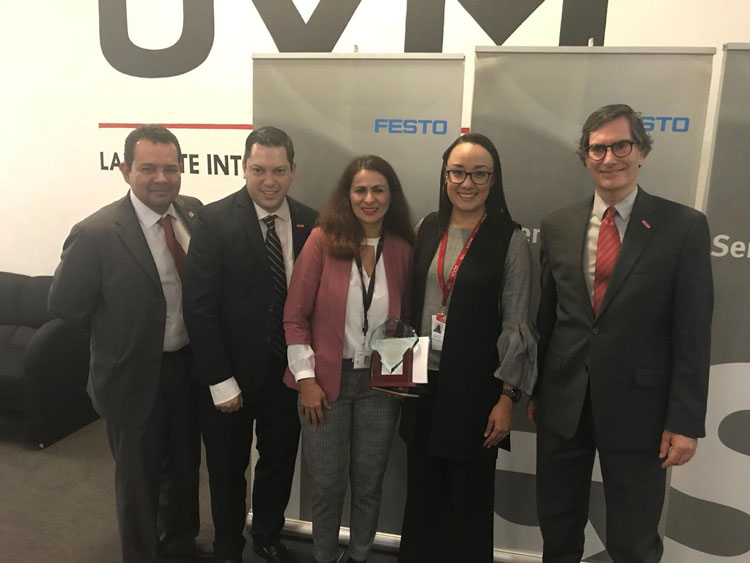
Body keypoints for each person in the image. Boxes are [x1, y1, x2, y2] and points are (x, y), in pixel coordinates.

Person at [529, 103, 713, 562]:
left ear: (642, 152)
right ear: (585, 157)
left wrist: (684, 420)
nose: (609, 158)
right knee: (558, 529)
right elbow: (547, 318)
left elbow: (692, 333)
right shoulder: (558, 226)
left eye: (621, 146)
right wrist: (537, 393)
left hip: (641, 412)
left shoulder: (683, 227)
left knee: (633, 540)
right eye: (597, 149)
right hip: (563, 404)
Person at [48, 125, 210, 563]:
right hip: (132, 376)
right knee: (138, 478)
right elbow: (66, 304)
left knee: (184, 466)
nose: (161, 178)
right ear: (125, 170)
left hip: (187, 368)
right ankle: (142, 554)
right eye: (148, 168)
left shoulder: (192, 212)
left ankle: (180, 544)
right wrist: (121, 333)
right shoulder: (96, 233)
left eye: (170, 168)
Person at [398, 133, 537, 563]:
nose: (467, 183)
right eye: (458, 173)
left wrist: (507, 396)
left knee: (468, 503)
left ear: (493, 180)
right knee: (421, 497)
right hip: (421, 386)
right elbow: (405, 303)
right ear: (445, 176)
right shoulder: (427, 227)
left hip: (476, 392)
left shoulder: (509, 238)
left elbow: (516, 322)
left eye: (479, 174)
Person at [183, 126, 318, 563]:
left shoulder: (311, 221)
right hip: (230, 377)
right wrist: (220, 381)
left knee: (278, 462)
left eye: (278, 170)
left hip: (286, 373)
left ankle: (267, 535)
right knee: (226, 469)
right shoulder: (214, 220)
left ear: (293, 170)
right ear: (244, 168)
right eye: (259, 170)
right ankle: (228, 546)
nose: (269, 181)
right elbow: (199, 307)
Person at [282, 155, 414, 563]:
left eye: (378, 190)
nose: (369, 199)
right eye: (360, 190)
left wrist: (399, 375)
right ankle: (324, 557)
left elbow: (406, 318)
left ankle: (358, 556)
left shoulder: (402, 248)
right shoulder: (322, 241)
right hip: (324, 384)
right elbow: (295, 316)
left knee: (369, 483)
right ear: (348, 195)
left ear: (391, 196)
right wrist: (306, 381)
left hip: (379, 384)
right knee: (326, 486)